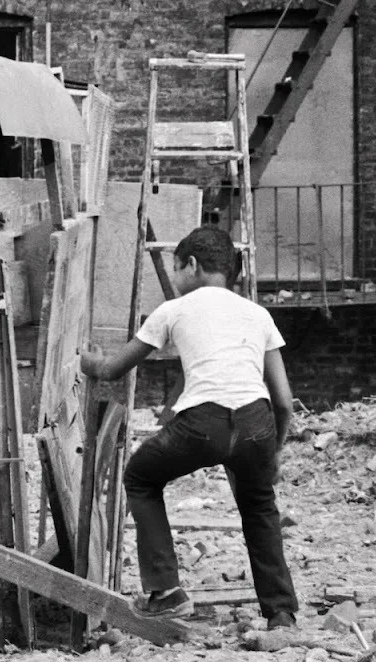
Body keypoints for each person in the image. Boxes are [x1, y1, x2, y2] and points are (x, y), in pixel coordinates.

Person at [80, 225, 298, 629]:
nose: (175, 277)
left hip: (204, 422)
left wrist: (88, 361)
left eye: (176, 268)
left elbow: (113, 369)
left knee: (141, 477)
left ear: (192, 265)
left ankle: (165, 591)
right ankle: (281, 612)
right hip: (257, 423)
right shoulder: (258, 313)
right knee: (259, 505)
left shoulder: (173, 310)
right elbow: (283, 400)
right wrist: (275, 451)